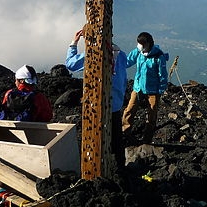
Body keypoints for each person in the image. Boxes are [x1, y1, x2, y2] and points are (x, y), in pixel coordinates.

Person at [66, 28, 128, 166]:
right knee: (117, 140)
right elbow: (124, 79)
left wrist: (73, 43)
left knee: (96, 139)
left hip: (96, 106)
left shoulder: (92, 54)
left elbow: (70, 64)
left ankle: (98, 168)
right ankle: (120, 168)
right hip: (116, 104)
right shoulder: (120, 54)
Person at [122, 32, 169, 144]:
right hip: (138, 87)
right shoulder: (138, 53)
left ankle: (146, 140)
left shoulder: (158, 56)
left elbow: (163, 75)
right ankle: (125, 134)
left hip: (153, 90)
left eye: (142, 44)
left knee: (151, 115)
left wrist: (160, 90)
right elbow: (127, 62)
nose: (140, 46)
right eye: (139, 44)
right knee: (129, 110)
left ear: (149, 43)